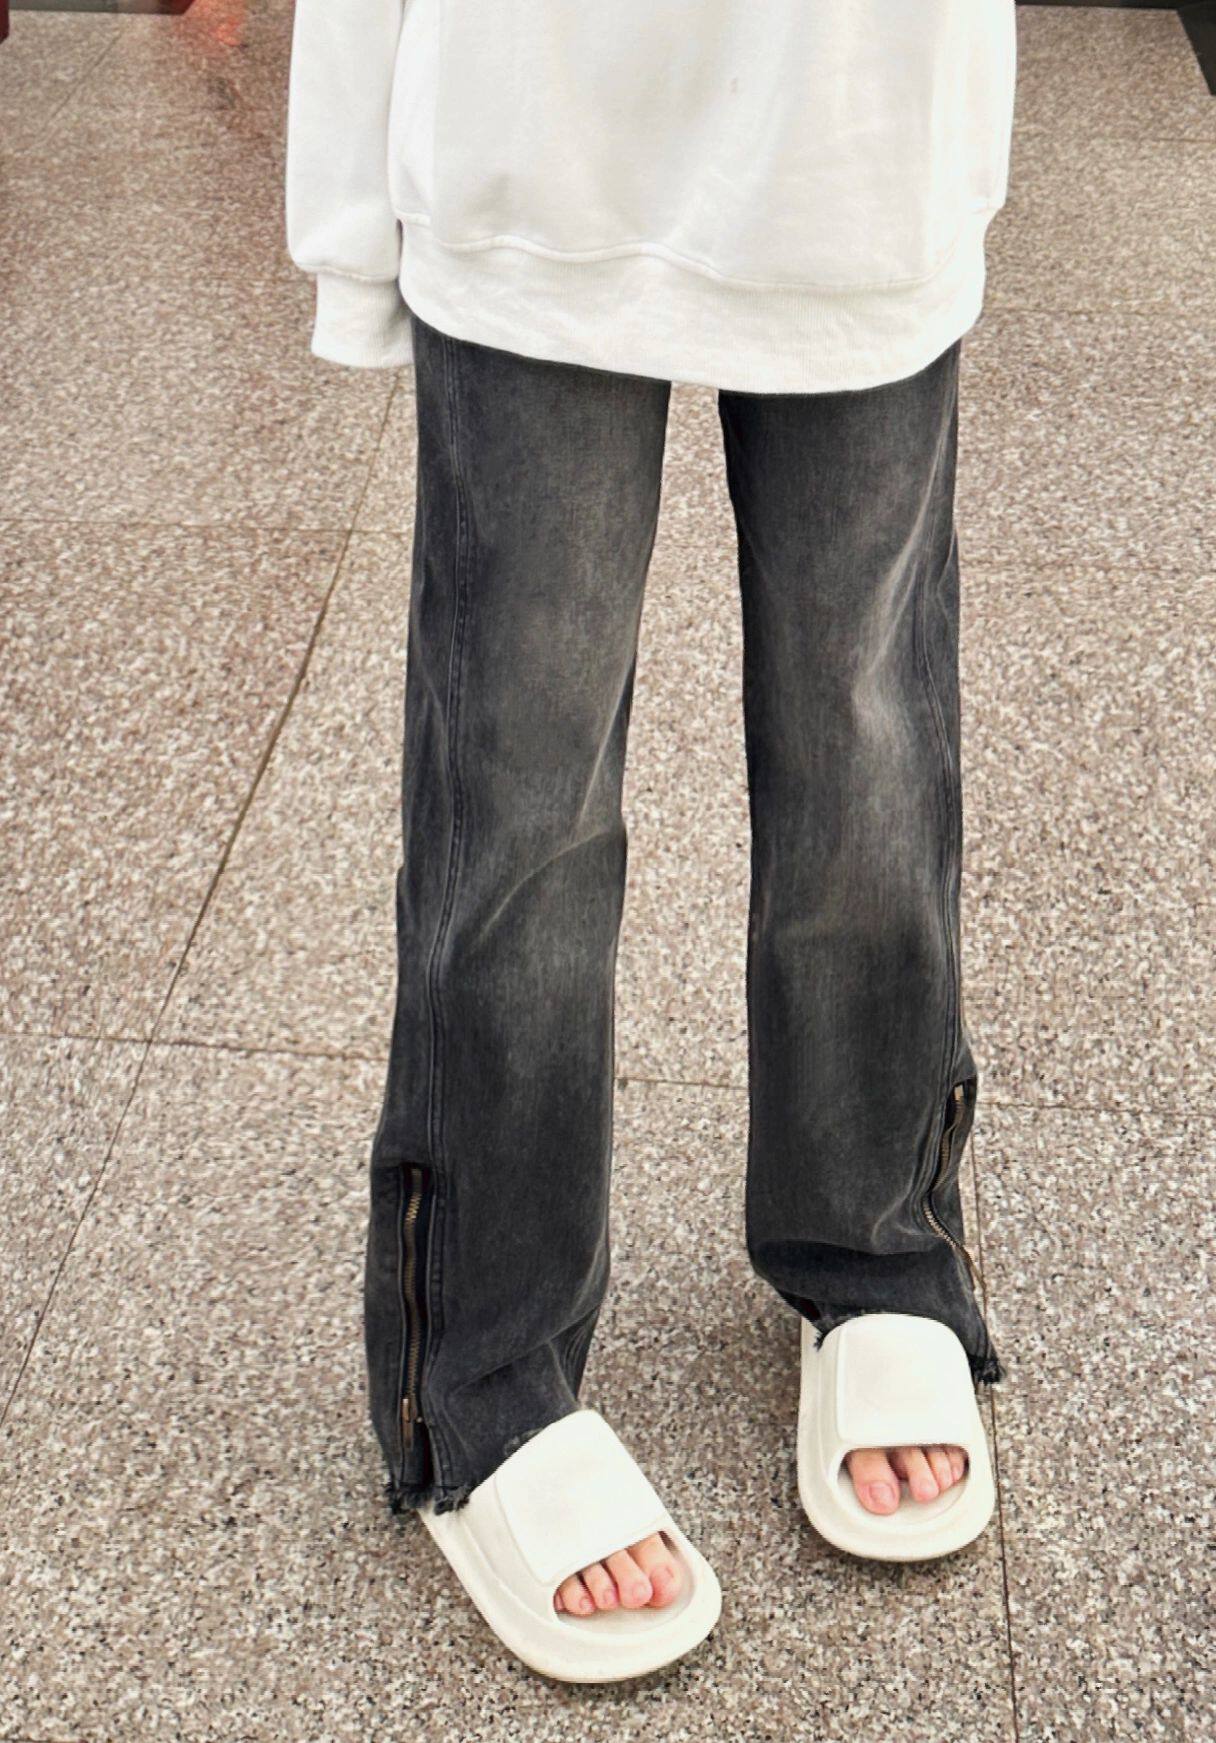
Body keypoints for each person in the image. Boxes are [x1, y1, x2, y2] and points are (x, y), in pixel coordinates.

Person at [286, 0, 1018, 1684]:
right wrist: (349, 216)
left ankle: (876, 1247)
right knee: (517, 809)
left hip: (862, 126)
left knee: (866, 755)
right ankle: (484, 1370)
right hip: (531, 136)